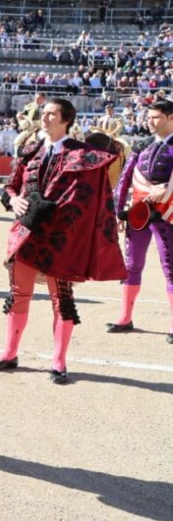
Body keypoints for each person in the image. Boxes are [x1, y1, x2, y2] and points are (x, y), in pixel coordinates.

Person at [0, 97, 126, 383]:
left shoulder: (83, 155)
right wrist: (14, 202)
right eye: (45, 113)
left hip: (60, 240)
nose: (45, 118)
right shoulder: (30, 151)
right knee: (17, 296)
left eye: (51, 114)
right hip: (26, 234)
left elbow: (90, 196)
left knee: (62, 302)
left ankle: (59, 361)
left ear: (66, 120)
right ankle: (9, 353)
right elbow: (10, 187)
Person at [107, 98, 173, 341]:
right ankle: (125, 317)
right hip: (138, 213)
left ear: (171, 118)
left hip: (168, 214)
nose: (150, 122)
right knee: (131, 266)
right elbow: (124, 180)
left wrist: (168, 187)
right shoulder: (141, 146)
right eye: (148, 118)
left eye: (155, 117)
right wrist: (117, 211)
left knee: (171, 268)